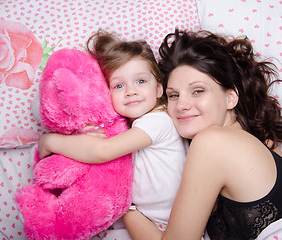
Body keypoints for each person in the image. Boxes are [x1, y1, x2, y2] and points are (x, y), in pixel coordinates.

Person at [122, 29, 282, 240]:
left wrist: (124, 207)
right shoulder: (260, 143)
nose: (181, 105)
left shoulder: (211, 142)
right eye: (173, 95)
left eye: (198, 90)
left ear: (230, 98)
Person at [38, 30, 189, 233]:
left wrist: (51, 141)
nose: (131, 91)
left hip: (167, 222)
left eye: (141, 81)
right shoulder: (128, 127)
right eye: (118, 85)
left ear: (159, 89)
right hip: (145, 218)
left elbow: (102, 151)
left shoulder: (158, 120)